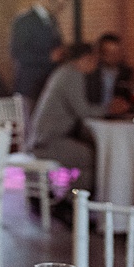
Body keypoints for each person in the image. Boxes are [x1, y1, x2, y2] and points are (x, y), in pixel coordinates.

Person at [29, 43, 105, 222]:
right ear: (85, 59)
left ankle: (71, 203)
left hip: (48, 138)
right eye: (94, 60)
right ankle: (70, 205)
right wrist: (110, 110)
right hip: (47, 142)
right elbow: (83, 111)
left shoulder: (65, 72)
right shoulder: (71, 75)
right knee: (92, 158)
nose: (95, 65)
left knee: (90, 153)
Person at [10, 0, 71, 124]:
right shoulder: (24, 21)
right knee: (30, 130)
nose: (60, 10)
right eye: (59, 5)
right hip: (30, 86)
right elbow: (17, 53)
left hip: (49, 86)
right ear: (48, 0)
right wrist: (48, 57)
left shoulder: (53, 21)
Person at [85, 33, 134, 115]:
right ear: (100, 53)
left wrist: (124, 105)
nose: (114, 56)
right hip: (94, 117)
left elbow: (133, 100)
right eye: (109, 53)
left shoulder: (127, 73)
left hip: (120, 119)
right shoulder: (90, 73)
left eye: (117, 52)